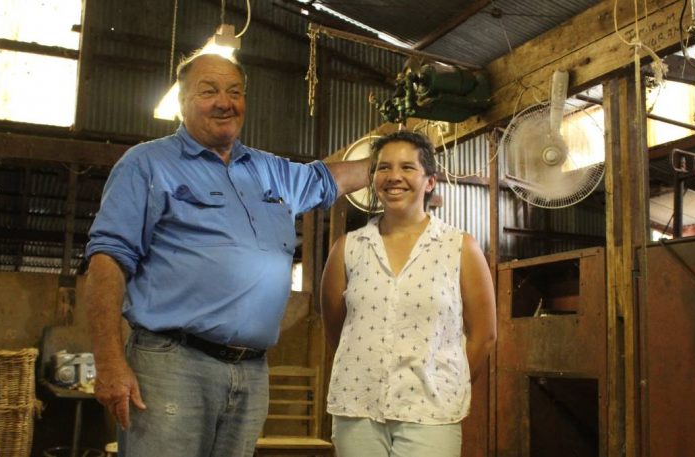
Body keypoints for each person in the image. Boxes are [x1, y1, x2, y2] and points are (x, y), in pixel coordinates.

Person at [84, 52, 369, 457]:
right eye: (209, 91)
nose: (225, 101)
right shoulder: (148, 164)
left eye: (234, 92)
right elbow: (107, 260)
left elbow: (327, 179)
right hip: (172, 364)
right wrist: (109, 361)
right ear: (182, 101)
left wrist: (397, 165)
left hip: (250, 371)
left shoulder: (267, 170)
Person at [320, 131, 497, 457]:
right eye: (383, 168)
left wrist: (445, 383)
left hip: (430, 414)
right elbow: (336, 329)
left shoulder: (459, 247)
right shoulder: (348, 248)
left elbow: (484, 335)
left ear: (429, 181)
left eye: (407, 167)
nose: (394, 177)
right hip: (358, 409)